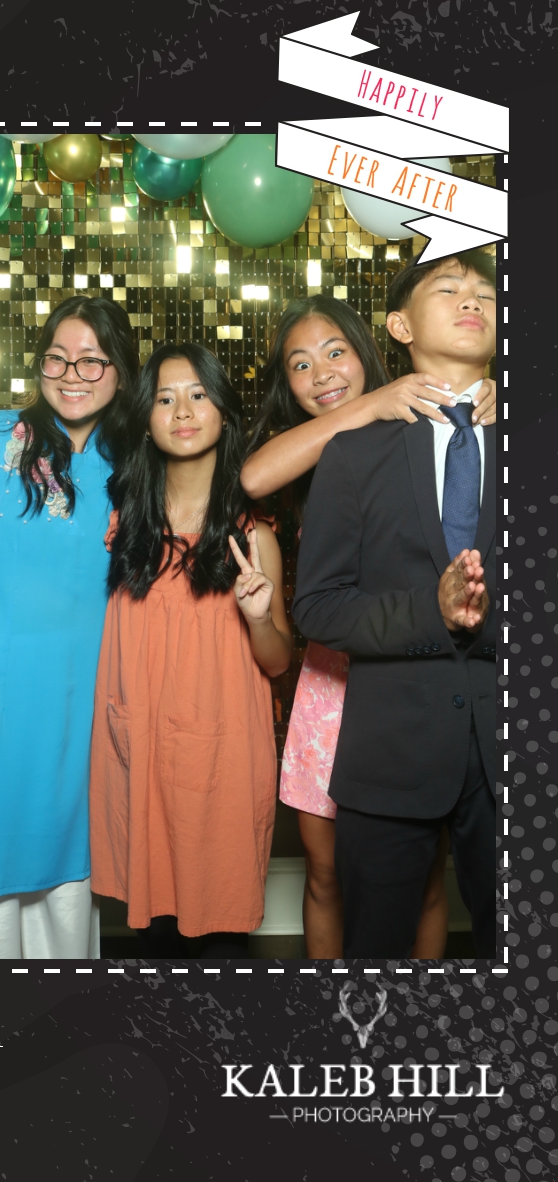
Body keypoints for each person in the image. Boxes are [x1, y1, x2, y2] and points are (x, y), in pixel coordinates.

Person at [243, 294, 496, 959]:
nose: (321, 373)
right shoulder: (344, 435)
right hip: (338, 673)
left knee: (428, 881)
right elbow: (254, 475)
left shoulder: (428, 419)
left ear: (370, 348)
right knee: (333, 873)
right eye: (300, 365)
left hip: (427, 680)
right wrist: (372, 404)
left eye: (336, 353)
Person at [0, 295, 137, 960]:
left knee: (69, 862)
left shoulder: (136, 463)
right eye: (57, 357)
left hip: (85, 698)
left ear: (120, 373)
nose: (71, 373)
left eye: (91, 361)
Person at [90, 344, 291, 958]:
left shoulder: (252, 535)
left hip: (225, 756)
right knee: (150, 933)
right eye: (165, 397)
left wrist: (257, 616)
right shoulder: (122, 526)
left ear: (224, 413)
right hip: (142, 745)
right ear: (146, 420)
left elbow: (279, 660)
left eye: (199, 394)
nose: (183, 410)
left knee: (221, 930)